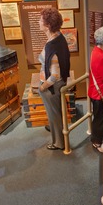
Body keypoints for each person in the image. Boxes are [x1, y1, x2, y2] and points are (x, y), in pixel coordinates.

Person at [38, 8, 70, 150]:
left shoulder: (52, 47)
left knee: (54, 114)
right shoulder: (59, 37)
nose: (38, 22)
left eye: (41, 20)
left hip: (51, 87)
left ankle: (58, 143)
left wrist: (42, 87)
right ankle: (55, 129)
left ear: (47, 26)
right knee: (55, 113)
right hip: (58, 84)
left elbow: (54, 76)